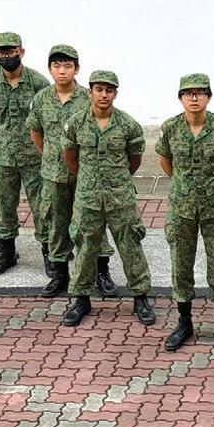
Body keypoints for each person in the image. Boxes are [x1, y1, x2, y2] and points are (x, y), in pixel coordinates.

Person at [60, 71, 155, 327]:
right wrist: (89, 179)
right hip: (88, 198)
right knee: (85, 246)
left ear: (115, 94)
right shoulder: (76, 123)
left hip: (120, 198)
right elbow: (70, 158)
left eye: (109, 90)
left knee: (131, 246)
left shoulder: (127, 125)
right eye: (99, 89)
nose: (104, 95)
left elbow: (134, 160)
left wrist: (116, 179)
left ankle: (140, 297)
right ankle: (81, 298)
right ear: (90, 92)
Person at [157, 73, 214, 351]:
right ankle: (184, 322)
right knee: (181, 263)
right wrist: (184, 185)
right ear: (180, 98)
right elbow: (166, 161)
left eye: (200, 93)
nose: (194, 98)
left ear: (209, 96)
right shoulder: (171, 128)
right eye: (188, 93)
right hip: (181, 208)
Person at [25, 45, 116, 297]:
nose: (62, 71)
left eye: (68, 66)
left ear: (77, 69)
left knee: (93, 221)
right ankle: (60, 273)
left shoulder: (88, 98)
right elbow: (36, 133)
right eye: (57, 66)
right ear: (49, 69)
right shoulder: (41, 98)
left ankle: (101, 271)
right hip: (53, 173)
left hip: (86, 172)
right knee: (56, 223)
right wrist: (51, 156)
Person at [0, 32, 50, 277]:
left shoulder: (38, 83)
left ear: (21, 52)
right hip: (3, 158)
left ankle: (49, 253)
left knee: (42, 207)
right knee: (3, 207)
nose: (6, 56)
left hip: (33, 158)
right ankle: (7, 253)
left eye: (11, 51)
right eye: (1, 52)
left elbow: (46, 120)